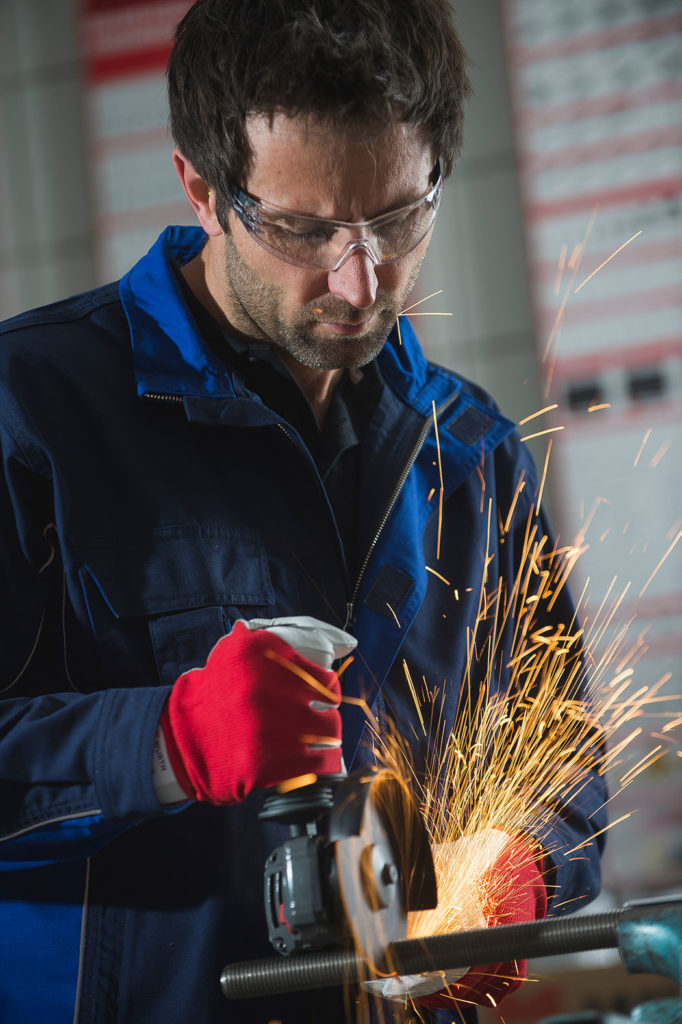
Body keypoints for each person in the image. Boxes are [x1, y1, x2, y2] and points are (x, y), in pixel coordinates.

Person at [0, 1, 607, 1021]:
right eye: (302, 229)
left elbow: (563, 746)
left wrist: (529, 861)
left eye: (398, 217)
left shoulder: (470, 450)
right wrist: (165, 740)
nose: (360, 279)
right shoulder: (30, 412)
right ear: (201, 185)